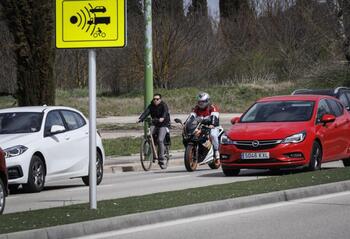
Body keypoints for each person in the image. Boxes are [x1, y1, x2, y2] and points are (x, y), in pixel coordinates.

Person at [138, 93, 170, 165]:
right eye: (154, 99)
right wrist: (140, 119)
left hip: (163, 124)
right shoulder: (151, 105)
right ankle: (153, 152)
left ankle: (161, 158)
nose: (155, 100)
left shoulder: (163, 105)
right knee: (150, 137)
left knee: (160, 140)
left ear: (160, 100)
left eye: (157, 99)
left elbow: (165, 112)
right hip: (155, 122)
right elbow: (146, 112)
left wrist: (163, 118)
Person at [189, 92, 220, 160]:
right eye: (199, 102)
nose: (200, 103)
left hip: (212, 126)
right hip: (200, 126)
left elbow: (214, 116)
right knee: (191, 134)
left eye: (202, 102)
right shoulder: (196, 108)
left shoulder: (212, 107)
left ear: (207, 101)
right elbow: (192, 116)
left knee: (213, 135)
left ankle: (216, 150)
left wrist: (212, 124)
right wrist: (187, 123)